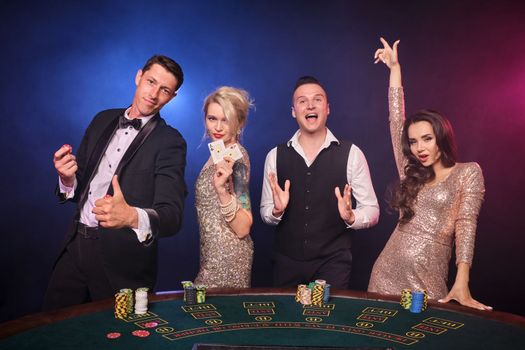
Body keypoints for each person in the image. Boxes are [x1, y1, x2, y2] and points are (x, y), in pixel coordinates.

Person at [44, 55, 187, 310]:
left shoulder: (171, 142)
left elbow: (172, 217)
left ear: (172, 97)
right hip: (76, 245)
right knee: (52, 331)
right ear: (138, 77)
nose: (154, 94)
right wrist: (67, 179)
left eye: (164, 90)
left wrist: (131, 216)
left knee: (118, 340)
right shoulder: (102, 119)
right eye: (151, 82)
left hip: (122, 265)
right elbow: (81, 188)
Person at [367, 38, 492, 311]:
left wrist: (462, 281)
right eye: (413, 142)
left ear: (441, 137)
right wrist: (394, 70)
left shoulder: (468, 173)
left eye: (426, 138)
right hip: (386, 273)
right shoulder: (410, 171)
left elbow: (466, 226)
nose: (419, 148)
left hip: (428, 277)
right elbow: (396, 120)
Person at [260, 76, 380, 289]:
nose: (310, 105)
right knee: (286, 322)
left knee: (326, 321)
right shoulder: (274, 156)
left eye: (317, 99)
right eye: (302, 101)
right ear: (293, 111)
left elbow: (372, 210)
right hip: (285, 263)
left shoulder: (352, 154)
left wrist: (352, 217)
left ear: (327, 108)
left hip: (332, 263)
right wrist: (276, 211)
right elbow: (265, 212)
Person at [194, 86, 254, 288]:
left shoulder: (237, 157)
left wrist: (222, 192)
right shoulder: (217, 153)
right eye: (212, 118)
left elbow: (244, 227)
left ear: (239, 123)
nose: (217, 127)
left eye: (225, 120)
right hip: (211, 255)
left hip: (228, 260)